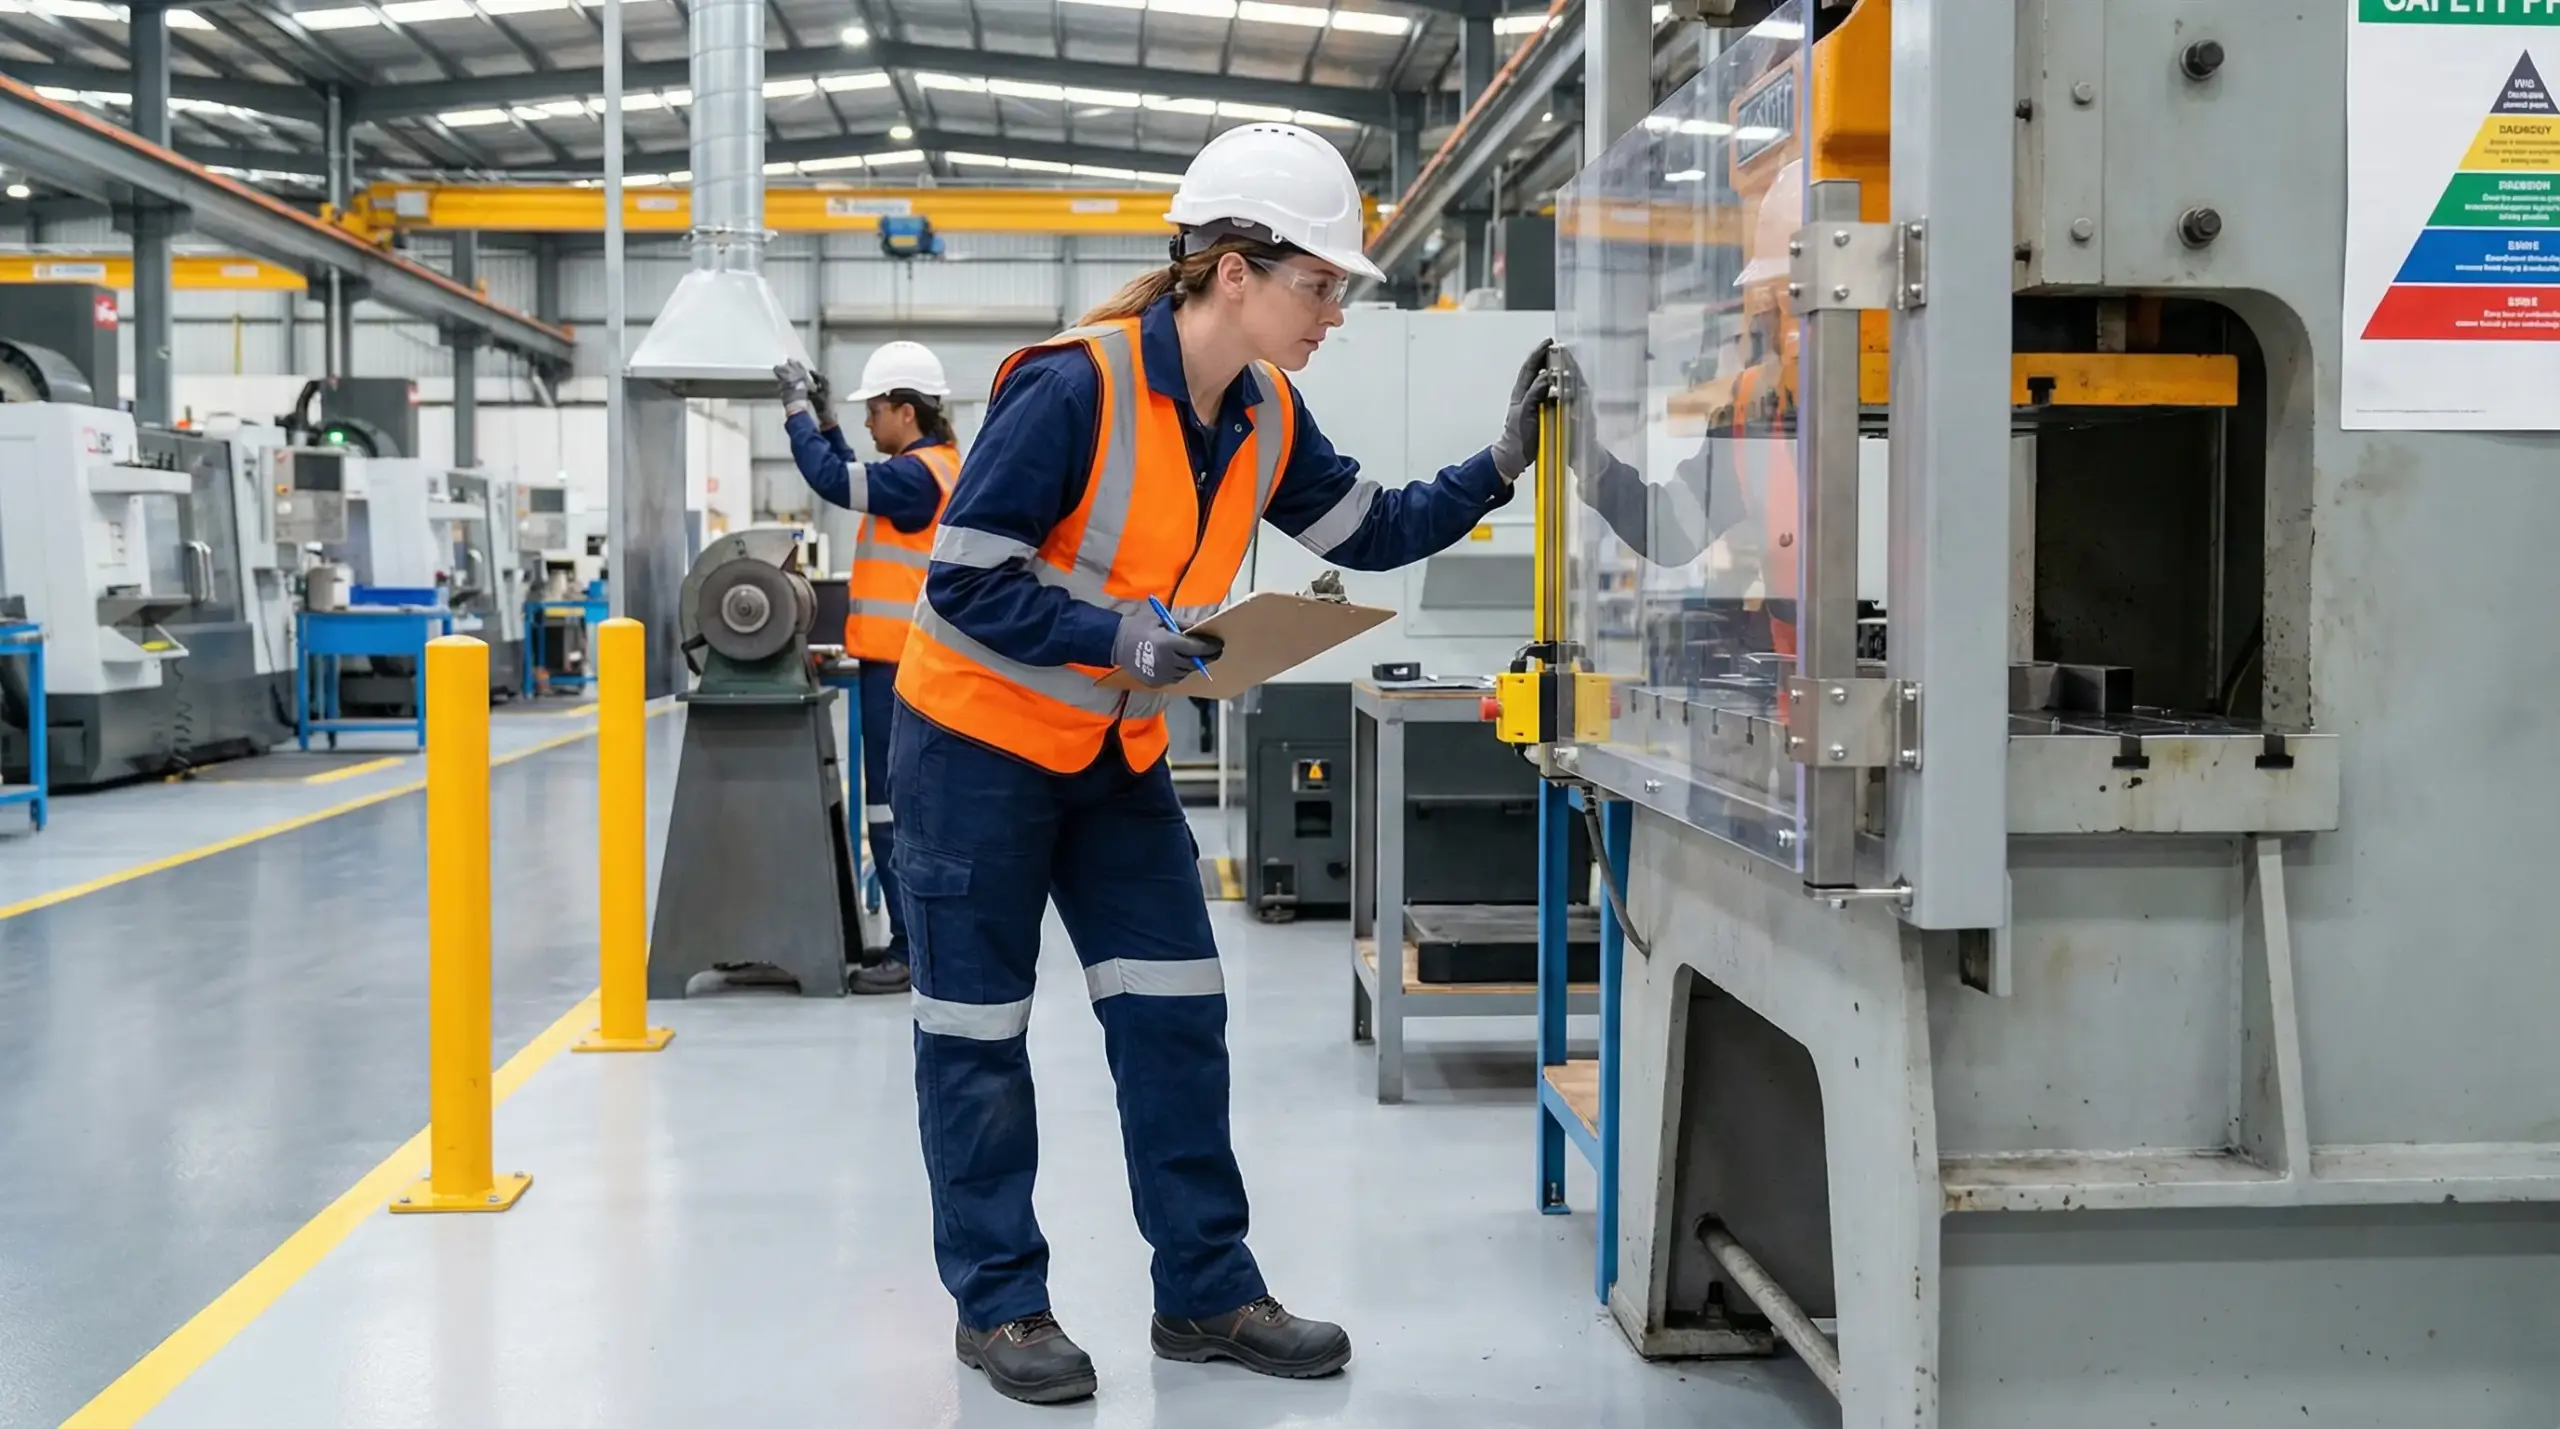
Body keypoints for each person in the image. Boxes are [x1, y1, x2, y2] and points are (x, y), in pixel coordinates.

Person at [888, 121, 1555, 1406]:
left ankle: (1204, 1292)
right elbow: (965, 578)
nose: (1334, 315)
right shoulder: (1071, 386)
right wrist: (1115, 635)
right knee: (977, 1031)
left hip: (1111, 753)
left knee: (1177, 1013)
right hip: (974, 748)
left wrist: (1501, 464)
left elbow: (1371, 527)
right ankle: (1001, 1305)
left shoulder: (1262, 411)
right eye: (1320, 286)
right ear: (1233, 272)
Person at [775, 340, 963, 996]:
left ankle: (911, 949)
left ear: (906, 412)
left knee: (892, 808)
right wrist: (824, 420)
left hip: (902, 671)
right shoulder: (929, 469)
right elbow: (852, 467)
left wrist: (796, 410)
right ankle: (913, 939)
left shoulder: (918, 478)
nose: (867, 422)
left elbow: (833, 480)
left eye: (874, 409)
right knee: (902, 806)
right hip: (907, 665)